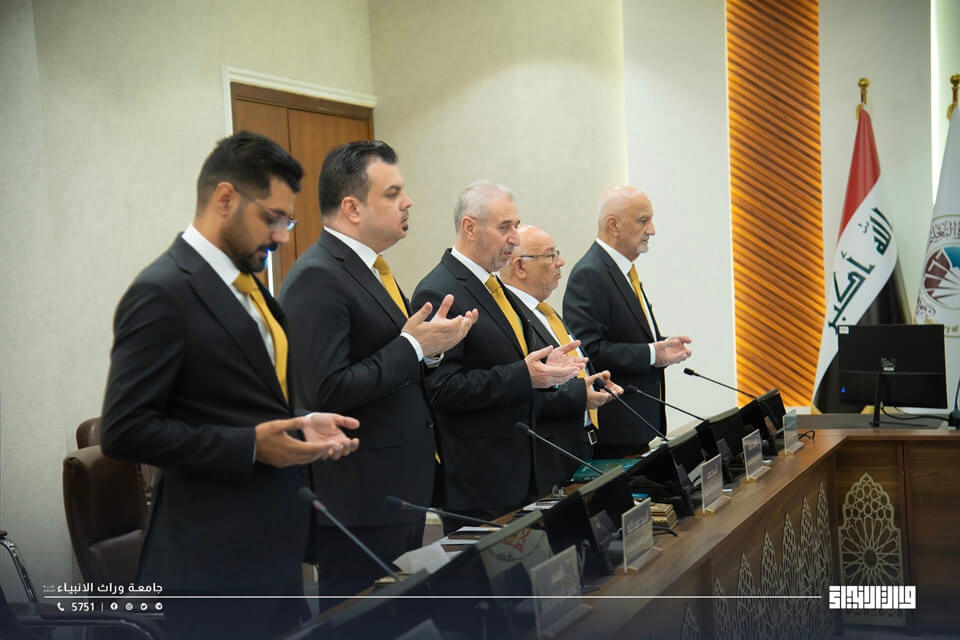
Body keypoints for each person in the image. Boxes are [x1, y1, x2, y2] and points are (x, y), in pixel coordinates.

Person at [101, 131, 360, 640]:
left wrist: (300, 422)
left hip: (273, 554)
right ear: (225, 198)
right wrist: (251, 446)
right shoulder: (162, 290)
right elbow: (124, 430)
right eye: (272, 218)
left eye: (288, 222)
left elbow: (241, 397)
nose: (282, 236)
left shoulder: (249, 285)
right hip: (210, 567)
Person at [279, 140, 476, 605]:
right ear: (352, 207)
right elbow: (328, 390)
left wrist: (431, 350)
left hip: (396, 490)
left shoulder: (370, 269)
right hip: (358, 500)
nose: (408, 202)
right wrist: (413, 346)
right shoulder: (318, 276)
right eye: (392, 193)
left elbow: (392, 361)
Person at [413, 181, 585, 529]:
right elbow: (442, 390)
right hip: (482, 484)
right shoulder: (440, 290)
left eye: (516, 226)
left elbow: (507, 364)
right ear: (470, 227)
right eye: (505, 227)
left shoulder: (494, 286)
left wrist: (546, 370)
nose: (515, 238)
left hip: (524, 472)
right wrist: (526, 375)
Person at [563, 186, 692, 457]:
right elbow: (588, 351)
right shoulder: (590, 273)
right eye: (643, 221)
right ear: (614, 225)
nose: (652, 230)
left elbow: (628, 335)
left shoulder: (622, 270)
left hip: (639, 428)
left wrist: (661, 347)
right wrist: (651, 354)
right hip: (615, 434)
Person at [500, 225, 624, 490]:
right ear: (520, 266)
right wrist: (579, 395)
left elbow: (564, 374)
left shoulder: (545, 312)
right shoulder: (509, 318)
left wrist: (592, 383)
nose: (561, 262)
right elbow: (520, 392)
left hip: (580, 447)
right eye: (550, 255)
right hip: (547, 460)